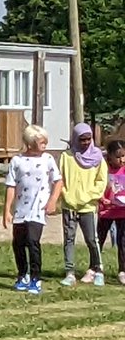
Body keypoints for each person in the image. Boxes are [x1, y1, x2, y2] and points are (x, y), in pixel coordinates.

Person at [3, 125, 63, 294]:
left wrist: (52, 201)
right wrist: (7, 209)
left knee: (32, 241)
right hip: (21, 209)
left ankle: (36, 278)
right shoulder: (17, 161)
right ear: (30, 143)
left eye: (45, 142)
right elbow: (11, 186)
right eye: (41, 142)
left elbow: (58, 181)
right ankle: (23, 275)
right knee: (18, 243)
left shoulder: (48, 159)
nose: (44, 145)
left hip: (38, 208)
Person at [58, 123, 109, 287]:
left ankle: (98, 270)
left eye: (89, 139)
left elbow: (101, 181)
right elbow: (60, 180)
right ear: (75, 139)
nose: (86, 142)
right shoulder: (67, 157)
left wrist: (89, 196)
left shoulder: (98, 157)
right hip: (69, 206)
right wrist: (67, 197)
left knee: (92, 239)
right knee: (69, 239)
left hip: (88, 206)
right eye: (82, 139)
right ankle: (69, 272)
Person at [98, 140, 125, 285]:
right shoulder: (104, 170)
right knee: (99, 239)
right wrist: (101, 198)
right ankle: (96, 267)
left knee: (123, 242)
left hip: (122, 211)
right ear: (110, 156)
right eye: (118, 157)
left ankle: (122, 270)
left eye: (123, 156)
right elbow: (97, 187)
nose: (121, 160)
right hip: (106, 211)